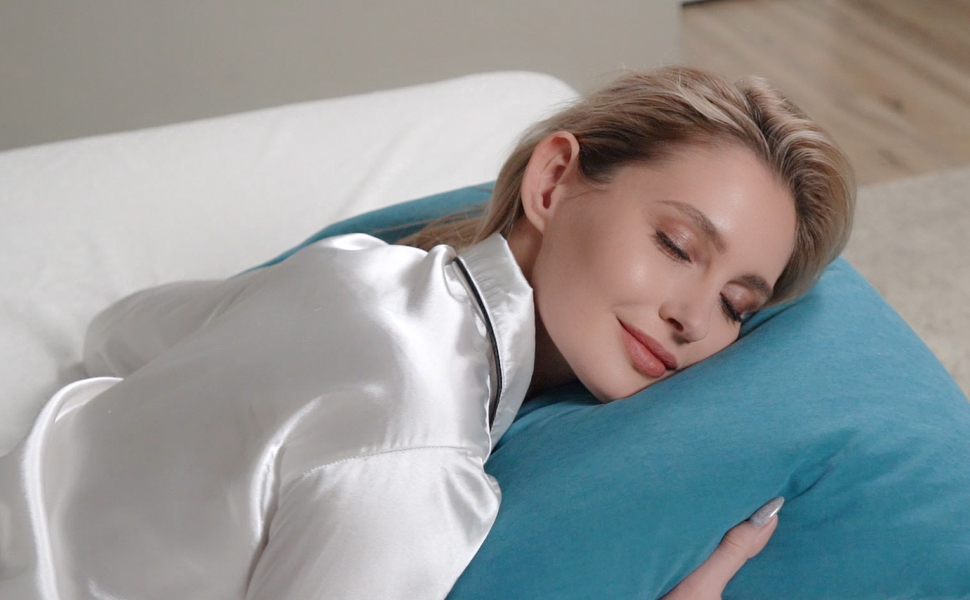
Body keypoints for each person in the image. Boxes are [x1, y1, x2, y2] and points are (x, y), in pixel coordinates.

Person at [0, 66, 854, 599]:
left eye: (737, 305)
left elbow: (118, 335)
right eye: (675, 245)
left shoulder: (351, 268)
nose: (693, 317)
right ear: (553, 181)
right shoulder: (418, 457)